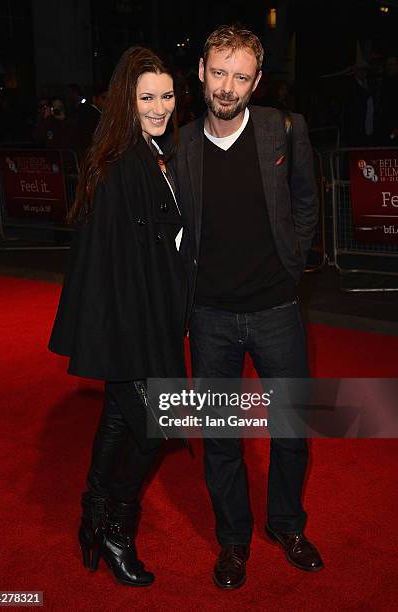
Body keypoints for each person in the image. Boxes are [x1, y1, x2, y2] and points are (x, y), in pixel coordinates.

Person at [174, 25, 323, 590]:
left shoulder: (284, 130)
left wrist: (291, 266)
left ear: (257, 82)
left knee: (292, 430)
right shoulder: (181, 144)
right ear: (202, 74)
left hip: (277, 308)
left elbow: (307, 201)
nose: (227, 86)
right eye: (219, 72)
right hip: (208, 316)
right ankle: (232, 539)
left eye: (240, 76)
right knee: (221, 438)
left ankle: (286, 525)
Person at [48, 47, 187, 587]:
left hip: (146, 321)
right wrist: (136, 340)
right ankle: (116, 527)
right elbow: (113, 266)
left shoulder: (152, 153)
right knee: (158, 426)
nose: (159, 107)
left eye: (167, 96)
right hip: (131, 329)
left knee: (116, 418)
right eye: (146, 97)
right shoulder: (122, 165)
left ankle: (92, 511)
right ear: (126, 103)